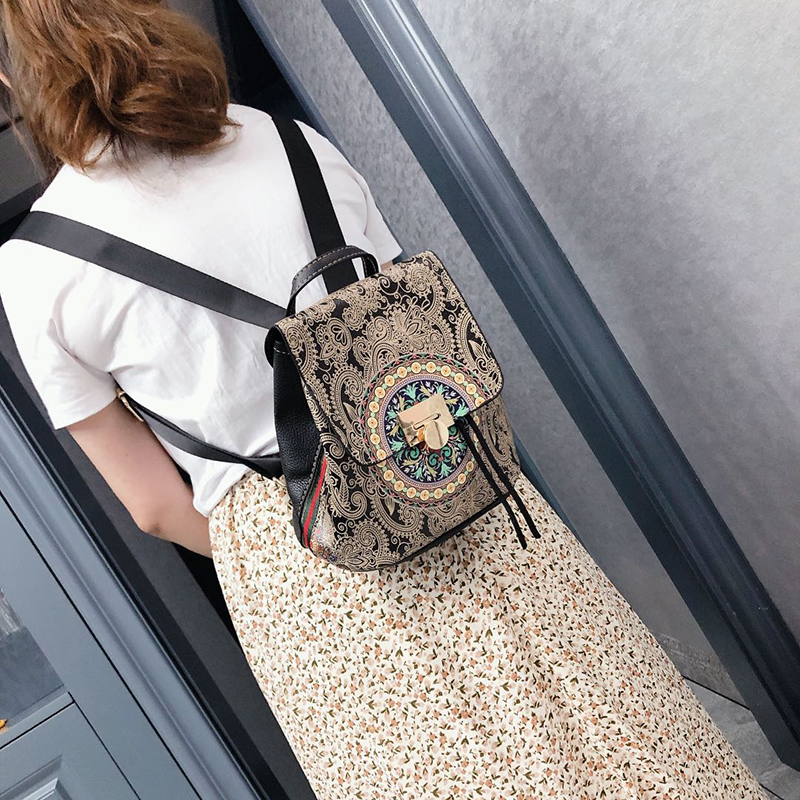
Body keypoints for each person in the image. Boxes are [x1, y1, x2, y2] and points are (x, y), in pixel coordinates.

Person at [0, 2, 768, 798]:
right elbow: (409, 327)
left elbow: (156, 508)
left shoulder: (38, 267)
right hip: (438, 472)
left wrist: (294, 540)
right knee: (611, 724)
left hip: (303, 557)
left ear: (16, 80)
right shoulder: (282, 138)